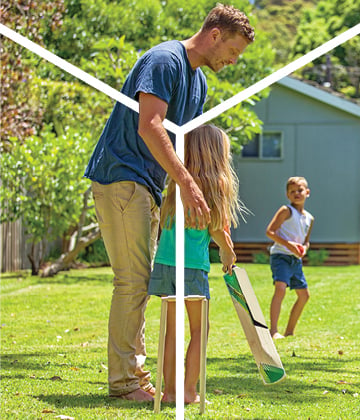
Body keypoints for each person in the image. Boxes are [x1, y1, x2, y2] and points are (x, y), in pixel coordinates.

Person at [84, 4, 254, 401]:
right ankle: (126, 382)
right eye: (233, 51)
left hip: (148, 185)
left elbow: (188, 144)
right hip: (122, 176)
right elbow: (150, 125)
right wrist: (188, 184)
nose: (233, 61)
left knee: (139, 282)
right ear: (215, 35)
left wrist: (213, 190)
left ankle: (142, 379)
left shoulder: (198, 84)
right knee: (133, 282)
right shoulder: (164, 60)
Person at [148, 124, 240, 404]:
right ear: (217, 154)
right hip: (192, 268)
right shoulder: (215, 184)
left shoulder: (176, 182)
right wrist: (227, 251)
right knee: (200, 330)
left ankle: (169, 392)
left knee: (171, 331)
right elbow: (215, 228)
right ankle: (189, 391)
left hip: (165, 263)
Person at [266, 177, 314, 339]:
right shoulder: (286, 211)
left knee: (304, 295)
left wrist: (304, 249)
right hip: (281, 256)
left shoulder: (309, 218)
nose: (296, 194)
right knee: (280, 289)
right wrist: (290, 246)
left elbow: (306, 241)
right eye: (292, 191)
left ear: (307, 193)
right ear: (287, 195)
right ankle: (273, 331)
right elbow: (270, 232)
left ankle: (290, 332)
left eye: (300, 190)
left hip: (296, 260)